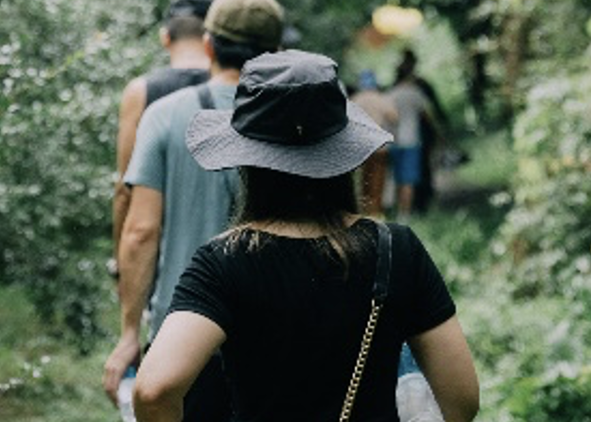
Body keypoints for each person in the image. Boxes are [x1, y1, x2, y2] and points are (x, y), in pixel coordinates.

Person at [132, 50, 478, 422]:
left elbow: (154, 390)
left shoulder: (222, 263)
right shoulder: (396, 249)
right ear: (343, 151)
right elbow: (462, 400)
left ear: (249, 160)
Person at [103, 0, 287, 421]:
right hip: (277, 329)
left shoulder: (165, 115)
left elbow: (141, 231)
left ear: (208, 45)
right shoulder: (292, 118)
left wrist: (129, 331)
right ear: (277, 52)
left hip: (180, 334)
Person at [112, 0, 214, 261]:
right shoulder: (236, 90)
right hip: (224, 255)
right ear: (211, 40)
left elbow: (125, 191)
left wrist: (121, 261)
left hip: (161, 256)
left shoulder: (141, 92)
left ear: (165, 37)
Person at [388, 50, 445, 217]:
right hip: (417, 136)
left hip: (396, 138)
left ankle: (403, 208)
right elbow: (432, 112)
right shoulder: (420, 87)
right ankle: (417, 206)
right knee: (419, 171)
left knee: (399, 174)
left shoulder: (391, 91)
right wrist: (440, 133)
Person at [348, 70, 397, 218]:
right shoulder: (381, 99)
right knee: (378, 181)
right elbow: (394, 118)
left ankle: (362, 212)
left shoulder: (355, 99)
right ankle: (376, 213)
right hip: (380, 146)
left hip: (361, 147)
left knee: (362, 181)